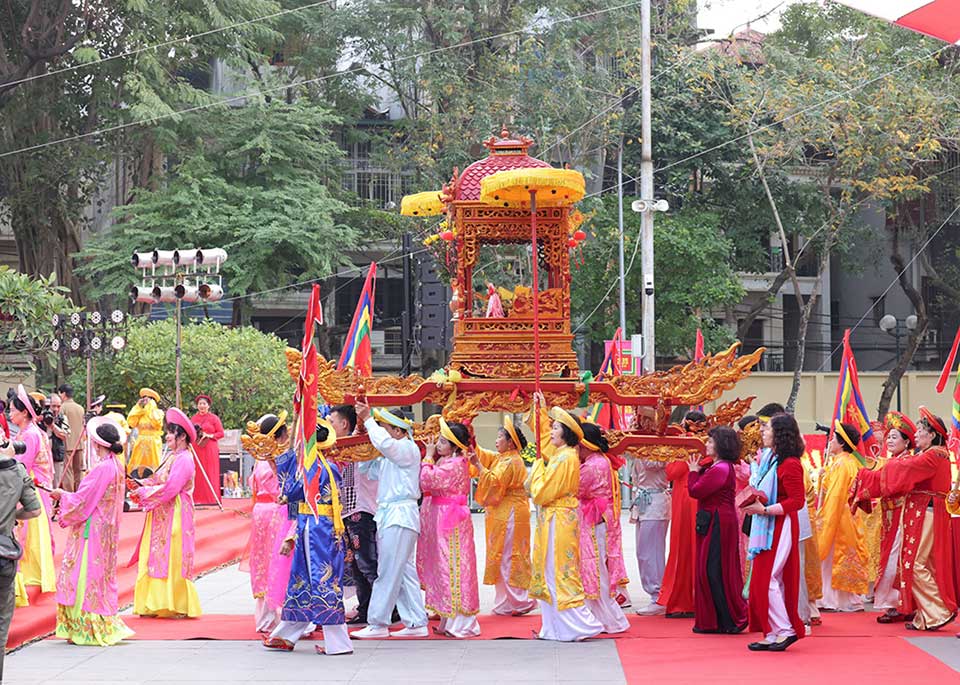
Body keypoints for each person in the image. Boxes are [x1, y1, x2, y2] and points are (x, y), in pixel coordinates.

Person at [852, 408, 957, 631]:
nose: (916, 435)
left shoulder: (934, 455)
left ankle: (938, 611)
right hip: (923, 512)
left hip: (926, 513)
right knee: (924, 563)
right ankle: (925, 614)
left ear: (932, 434)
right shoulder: (930, 454)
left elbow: (904, 469)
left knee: (916, 563)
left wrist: (872, 474)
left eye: (920, 430)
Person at [263, 418, 353, 655]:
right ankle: (286, 634)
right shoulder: (329, 466)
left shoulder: (313, 467)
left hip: (315, 530)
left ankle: (338, 643)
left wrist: (283, 463)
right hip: (318, 527)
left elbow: (292, 491)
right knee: (303, 579)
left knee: (320, 581)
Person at [49, 416, 134, 646]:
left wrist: (61, 495)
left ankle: (85, 625)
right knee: (100, 574)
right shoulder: (117, 464)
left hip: (92, 530)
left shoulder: (102, 469)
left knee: (83, 574)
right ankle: (100, 620)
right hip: (106, 528)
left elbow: (82, 499)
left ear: (98, 444)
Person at [526, 395, 603, 641]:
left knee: (560, 572)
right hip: (556, 519)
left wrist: (537, 470)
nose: (551, 430)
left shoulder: (566, 457)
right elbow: (544, 445)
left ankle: (580, 625)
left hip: (559, 520)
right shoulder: (564, 453)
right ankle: (556, 628)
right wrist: (541, 411)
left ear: (567, 432)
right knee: (551, 572)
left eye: (555, 427)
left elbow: (541, 492)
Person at [350, 404, 429, 639]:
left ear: (397, 430)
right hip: (392, 515)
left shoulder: (406, 448)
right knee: (403, 572)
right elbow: (368, 470)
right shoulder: (391, 454)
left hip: (400, 515)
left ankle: (378, 622)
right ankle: (416, 622)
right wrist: (361, 441)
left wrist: (368, 420)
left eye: (384, 427)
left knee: (387, 571)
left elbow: (384, 444)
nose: (381, 433)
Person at [128, 407, 202, 618]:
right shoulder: (171, 456)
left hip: (176, 513)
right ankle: (154, 602)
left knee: (172, 555)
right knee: (157, 555)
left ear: (182, 436)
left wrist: (145, 493)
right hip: (162, 511)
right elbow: (157, 479)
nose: (167, 436)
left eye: (171, 432)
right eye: (168, 432)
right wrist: (139, 484)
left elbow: (171, 488)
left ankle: (175, 604)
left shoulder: (185, 459)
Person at [743, 413, 806, 651]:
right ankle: (772, 632)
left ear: (779, 434)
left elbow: (797, 501)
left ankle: (786, 630)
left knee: (768, 578)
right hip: (768, 522)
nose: (763, 432)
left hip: (781, 525)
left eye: (767, 428)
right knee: (765, 579)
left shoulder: (790, 464)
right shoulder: (772, 459)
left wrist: (766, 509)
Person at [420, 418, 481, 638]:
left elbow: (427, 481)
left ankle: (460, 620)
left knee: (453, 563)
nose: (437, 444)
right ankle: (449, 617)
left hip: (450, 518)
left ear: (455, 445)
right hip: (443, 515)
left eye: (443, 441)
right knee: (444, 564)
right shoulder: (449, 461)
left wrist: (427, 457)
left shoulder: (454, 464)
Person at [472, 415, 536, 616]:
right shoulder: (503, 458)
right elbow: (485, 456)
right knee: (502, 556)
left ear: (510, 442)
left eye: (500, 437)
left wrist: (479, 466)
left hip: (511, 514)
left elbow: (495, 483)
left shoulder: (511, 461)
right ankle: (505, 602)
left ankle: (518, 601)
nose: (497, 440)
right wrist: (472, 444)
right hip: (505, 513)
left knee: (510, 557)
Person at [686, 425, 748, 634]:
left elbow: (696, 490)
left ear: (721, 445)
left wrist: (693, 473)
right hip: (716, 520)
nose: (706, 444)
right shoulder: (718, 467)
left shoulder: (721, 469)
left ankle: (728, 619)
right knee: (713, 569)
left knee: (713, 570)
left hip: (718, 521)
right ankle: (722, 619)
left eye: (710, 441)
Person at [328, 404, 380, 626]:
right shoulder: (340, 448)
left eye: (331, 422)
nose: (329, 426)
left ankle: (384, 608)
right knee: (357, 565)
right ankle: (366, 607)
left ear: (344, 424)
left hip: (362, 510)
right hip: (349, 511)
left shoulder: (359, 444)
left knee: (367, 563)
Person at [240, 413, 292, 633]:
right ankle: (279, 613)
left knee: (262, 560)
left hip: (259, 512)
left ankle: (265, 617)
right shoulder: (277, 458)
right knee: (276, 559)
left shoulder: (259, 459)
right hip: (275, 510)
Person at [576, 422, 630, 634]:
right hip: (599, 519)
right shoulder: (600, 461)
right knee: (597, 569)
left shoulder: (591, 466)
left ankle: (611, 619)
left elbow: (575, 488)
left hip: (595, 520)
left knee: (596, 571)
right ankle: (602, 617)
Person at [655, 410, 705, 618]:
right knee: (693, 549)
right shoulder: (705, 444)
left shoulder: (686, 446)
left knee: (683, 548)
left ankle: (683, 601)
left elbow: (671, 473)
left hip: (686, 500)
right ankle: (695, 599)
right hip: (696, 497)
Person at [817, 421, 870, 612]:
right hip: (848, 517)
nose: (830, 442)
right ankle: (843, 599)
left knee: (832, 559)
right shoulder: (848, 462)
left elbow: (836, 496)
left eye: (833, 439)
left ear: (841, 443)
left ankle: (830, 600)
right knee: (837, 559)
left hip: (839, 517)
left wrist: (824, 519)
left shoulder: (841, 464)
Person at [0, 438, 42, 680]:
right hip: (4, 551)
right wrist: (11, 516)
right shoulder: (16, 470)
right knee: (2, 620)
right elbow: (34, 509)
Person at [9, 385, 56, 595]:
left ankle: (30, 575)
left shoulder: (30, 435)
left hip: (30, 489)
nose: (10, 414)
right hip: (34, 487)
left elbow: (21, 466)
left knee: (28, 534)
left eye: (12, 410)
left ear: (25, 412)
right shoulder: (29, 432)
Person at [873, 411, 916, 623]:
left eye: (894, 437)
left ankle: (900, 605)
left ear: (907, 441)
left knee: (896, 560)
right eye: (888, 437)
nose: (889, 440)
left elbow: (895, 486)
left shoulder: (907, 461)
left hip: (902, 517)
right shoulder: (892, 461)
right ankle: (894, 604)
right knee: (888, 558)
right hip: (889, 516)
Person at [629, 410, 671, 616]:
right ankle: (654, 594)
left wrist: (640, 444)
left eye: (644, 420)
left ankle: (658, 595)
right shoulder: (642, 443)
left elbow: (654, 464)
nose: (639, 423)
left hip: (655, 503)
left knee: (651, 552)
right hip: (644, 502)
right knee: (642, 552)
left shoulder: (660, 445)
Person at [191, 394, 224, 506]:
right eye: (200, 404)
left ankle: (211, 499)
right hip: (197, 447)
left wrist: (209, 435)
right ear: (197, 406)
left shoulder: (214, 418)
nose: (202, 406)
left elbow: (221, 433)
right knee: (197, 472)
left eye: (204, 404)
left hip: (210, 447)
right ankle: (197, 498)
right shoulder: (193, 419)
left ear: (208, 406)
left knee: (210, 471)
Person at [127, 388, 164, 476]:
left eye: (148, 398)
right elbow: (131, 422)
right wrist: (138, 407)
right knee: (137, 467)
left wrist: (150, 407)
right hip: (140, 443)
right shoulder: (140, 414)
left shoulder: (158, 412)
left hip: (153, 444)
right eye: (144, 398)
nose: (145, 400)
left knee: (153, 467)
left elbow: (156, 422)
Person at [44, 392, 70, 489]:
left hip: (56, 455)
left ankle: (54, 503)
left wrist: (53, 426)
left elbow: (64, 436)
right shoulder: (41, 416)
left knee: (56, 484)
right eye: (53, 406)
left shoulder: (62, 418)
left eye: (58, 406)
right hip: (43, 456)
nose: (56, 409)